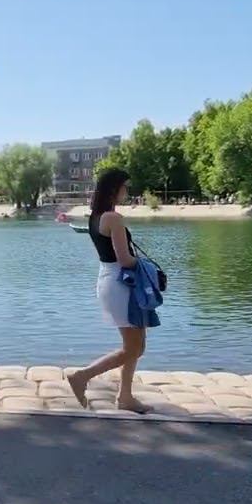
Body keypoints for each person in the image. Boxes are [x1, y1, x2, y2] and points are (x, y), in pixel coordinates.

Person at [67, 168, 151, 414]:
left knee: (137, 345)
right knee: (133, 347)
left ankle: (125, 397)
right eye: (125, 186)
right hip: (120, 283)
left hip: (112, 280)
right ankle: (82, 376)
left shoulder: (96, 217)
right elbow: (125, 260)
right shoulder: (113, 219)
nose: (127, 190)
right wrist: (148, 269)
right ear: (115, 188)